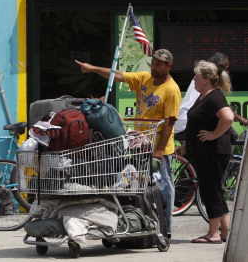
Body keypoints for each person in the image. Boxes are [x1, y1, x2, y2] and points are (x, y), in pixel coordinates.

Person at [76, 48, 181, 237]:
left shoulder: (172, 90)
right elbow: (117, 75)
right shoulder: (144, 78)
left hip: (159, 147)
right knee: (135, 186)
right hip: (138, 144)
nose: (154, 67)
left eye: (159, 64)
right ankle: (139, 220)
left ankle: (166, 227)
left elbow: (169, 123)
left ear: (168, 66)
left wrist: (159, 150)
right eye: (153, 63)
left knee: (164, 186)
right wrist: (92, 68)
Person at [175, 61, 234, 244]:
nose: (194, 79)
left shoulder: (214, 96)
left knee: (210, 191)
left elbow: (228, 117)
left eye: (197, 76)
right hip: (205, 152)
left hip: (212, 152)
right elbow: (198, 123)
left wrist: (213, 134)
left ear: (206, 79)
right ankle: (224, 231)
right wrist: (187, 145)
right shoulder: (204, 97)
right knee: (214, 190)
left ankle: (213, 233)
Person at [175, 52, 247, 139]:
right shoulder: (209, 88)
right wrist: (213, 134)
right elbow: (227, 116)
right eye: (226, 68)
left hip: (183, 124)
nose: (194, 80)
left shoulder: (204, 83)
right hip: (187, 125)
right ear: (218, 67)